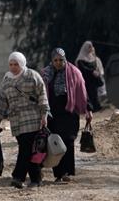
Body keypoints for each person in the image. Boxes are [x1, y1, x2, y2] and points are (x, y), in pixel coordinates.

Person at [0, 52, 50, 189]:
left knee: (26, 149)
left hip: (32, 119)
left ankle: (18, 177)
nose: (13, 67)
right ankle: (36, 179)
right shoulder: (7, 79)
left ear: (22, 63)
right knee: (29, 151)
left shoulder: (32, 76)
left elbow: (42, 95)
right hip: (16, 122)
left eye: (16, 64)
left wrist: (44, 114)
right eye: (11, 64)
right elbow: (2, 102)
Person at [42, 48, 93, 182]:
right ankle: (59, 174)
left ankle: (67, 172)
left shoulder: (74, 73)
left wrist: (88, 109)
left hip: (69, 113)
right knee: (55, 143)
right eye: (55, 60)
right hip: (52, 114)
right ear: (52, 61)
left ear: (65, 59)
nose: (58, 63)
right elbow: (40, 93)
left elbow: (82, 92)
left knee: (68, 141)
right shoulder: (46, 73)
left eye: (61, 60)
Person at [75, 41, 104, 112]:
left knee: (95, 94)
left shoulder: (93, 57)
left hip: (94, 80)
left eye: (91, 46)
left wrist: (97, 72)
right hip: (86, 80)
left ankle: (97, 107)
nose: (91, 48)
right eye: (89, 46)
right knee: (89, 94)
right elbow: (83, 69)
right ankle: (91, 108)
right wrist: (92, 71)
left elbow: (96, 66)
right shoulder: (81, 59)